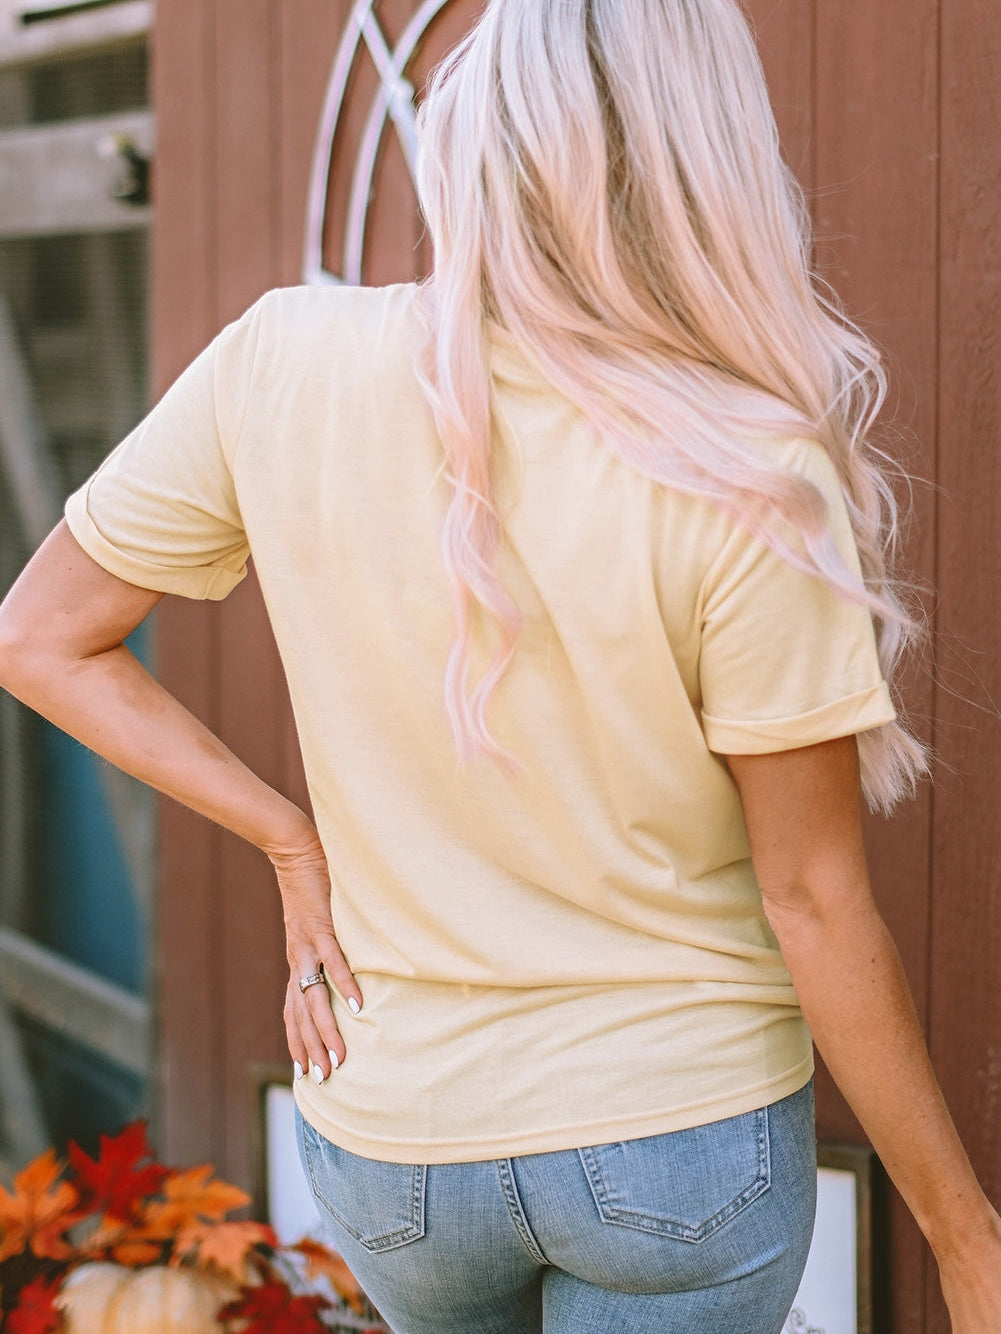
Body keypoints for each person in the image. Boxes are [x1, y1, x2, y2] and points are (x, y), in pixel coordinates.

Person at [1, 0, 999, 1330]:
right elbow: (811, 896)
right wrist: (960, 1228)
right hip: (674, 1147)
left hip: (399, 1151)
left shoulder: (277, 361)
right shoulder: (750, 471)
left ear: (472, 137)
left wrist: (285, 836)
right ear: (709, 159)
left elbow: (38, 635)